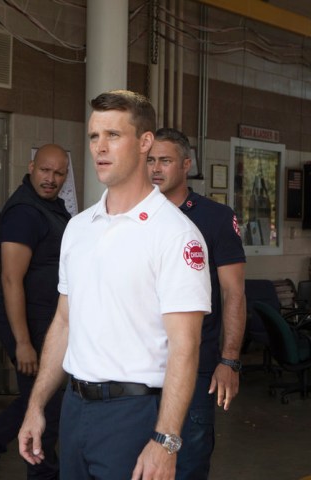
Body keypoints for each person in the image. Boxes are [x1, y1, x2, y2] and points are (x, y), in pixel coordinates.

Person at [18, 90, 211, 480]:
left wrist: (166, 440)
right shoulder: (78, 227)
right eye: (93, 137)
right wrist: (36, 405)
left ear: (144, 142)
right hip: (74, 408)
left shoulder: (175, 235)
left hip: (133, 416)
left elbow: (185, 347)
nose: (100, 148)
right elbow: (64, 321)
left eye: (113, 135)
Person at [147, 127, 246, 479]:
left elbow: (233, 292)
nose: (156, 168)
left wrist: (229, 360)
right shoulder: (134, 217)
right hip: (138, 367)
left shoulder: (215, 217)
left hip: (195, 364)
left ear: (186, 164)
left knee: (186, 465)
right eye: (150, 160)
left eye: (166, 160)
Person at [0, 144, 71, 479]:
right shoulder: (24, 213)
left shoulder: (51, 208)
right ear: (31, 167)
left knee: (36, 402)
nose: (51, 179)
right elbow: (11, 279)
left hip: (48, 325)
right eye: (45, 170)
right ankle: (41, 473)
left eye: (59, 173)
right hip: (31, 328)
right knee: (48, 409)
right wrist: (23, 342)